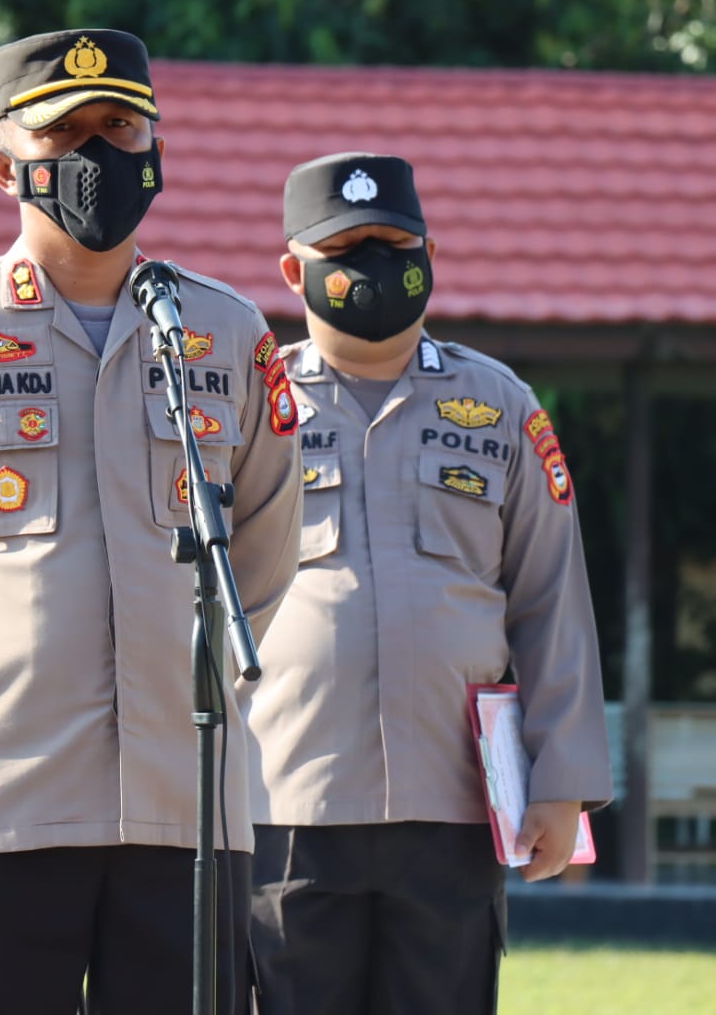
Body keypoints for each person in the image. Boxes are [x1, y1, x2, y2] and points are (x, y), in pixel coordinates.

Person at [0, 28, 302, 1015]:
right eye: (63, 132)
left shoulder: (225, 333)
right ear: (4, 166)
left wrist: (180, 669)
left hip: (184, 805)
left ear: (156, 150)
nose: (96, 155)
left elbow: (264, 540)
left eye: (119, 127)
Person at [241, 152, 613, 1015]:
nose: (374, 264)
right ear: (295, 271)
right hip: (283, 800)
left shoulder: (501, 405)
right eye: (346, 248)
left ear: (429, 254)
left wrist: (562, 779)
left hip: (453, 804)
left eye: (393, 243)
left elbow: (552, 597)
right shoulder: (250, 409)